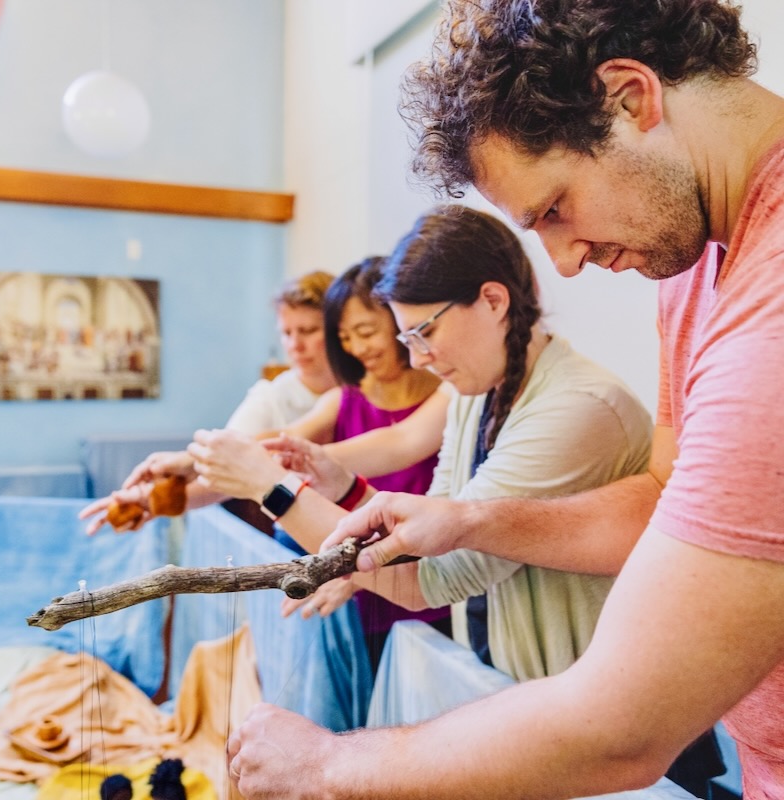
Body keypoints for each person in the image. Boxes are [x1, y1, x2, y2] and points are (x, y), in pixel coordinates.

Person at [222, 2, 784, 799]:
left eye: (554, 209)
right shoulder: (695, 268)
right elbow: (662, 498)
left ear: (631, 98)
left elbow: (625, 728)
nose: (565, 262)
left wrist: (328, 766)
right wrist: (474, 517)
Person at [267, 205, 651, 690]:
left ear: (493, 301)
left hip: (600, 704)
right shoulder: (477, 392)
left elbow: (432, 580)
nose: (417, 358)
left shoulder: (577, 408)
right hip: (520, 687)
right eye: (407, 337)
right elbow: (428, 533)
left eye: (425, 333)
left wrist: (270, 490)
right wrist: (342, 486)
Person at [202, 256, 450, 672]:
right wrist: (184, 463)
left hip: (423, 590)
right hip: (361, 582)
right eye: (346, 336)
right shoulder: (342, 399)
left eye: (366, 332)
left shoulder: (447, 397)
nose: (356, 347)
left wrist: (281, 473)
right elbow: (281, 445)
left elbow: (394, 444)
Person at [79, 270, 337, 534]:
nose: (295, 344)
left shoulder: (352, 396)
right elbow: (224, 469)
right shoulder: (270, 396)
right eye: (286, 332)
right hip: (301, 535)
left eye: (308, 330)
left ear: (336, 330)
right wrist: (153, 499)